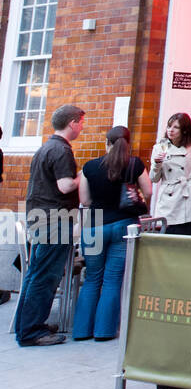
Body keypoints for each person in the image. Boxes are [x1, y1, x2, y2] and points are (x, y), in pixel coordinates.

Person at [15, 104, 84, 346]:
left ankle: (25, 326)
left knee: (35, 275)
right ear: (72, 123)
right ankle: (32, 332)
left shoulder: (45, 147)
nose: (82, 127)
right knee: (45, 277)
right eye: (81, 123)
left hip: (40, 218)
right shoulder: (62, 151)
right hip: (54, 221)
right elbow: (65, 186)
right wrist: (83, 175)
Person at [72, 125, 149, 340]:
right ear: (128, 143)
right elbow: (150, 190)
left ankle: (80, 331)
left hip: (95, 224)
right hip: (124, 224)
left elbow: (85, 201)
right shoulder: (135, 164)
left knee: (92, 278)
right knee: (113, 278)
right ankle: (104, 331)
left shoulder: (90, 167)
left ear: (107, 143)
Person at [150, 112, 191, 235]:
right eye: (169, 126)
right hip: (168, 199)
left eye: (176, 127)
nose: (171, 130)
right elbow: (153, 179)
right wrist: (157, 163)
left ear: (184, 130)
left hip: (188, 197)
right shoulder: (159, 147)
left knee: (187, 235)